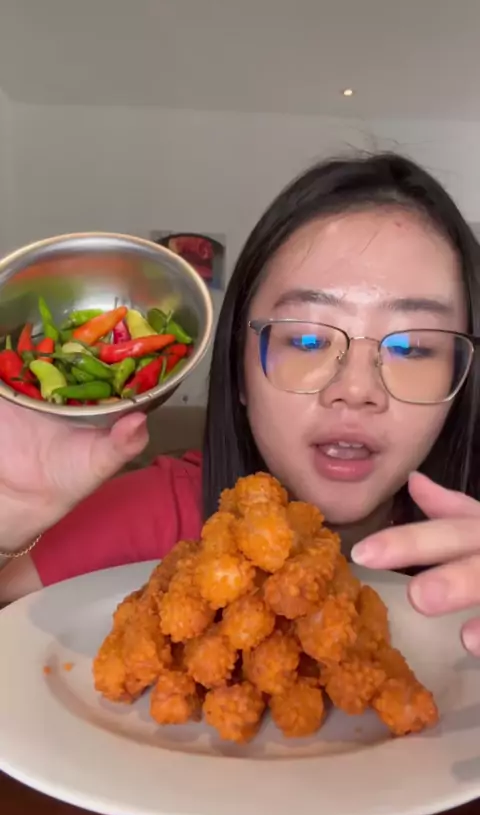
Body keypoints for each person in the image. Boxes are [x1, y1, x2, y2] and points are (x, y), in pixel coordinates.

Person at [1, 152, 480, 656]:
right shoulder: (149, 513)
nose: (357, 389)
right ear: (241, 370)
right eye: (308, 340)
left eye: (412, 347)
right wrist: (9, 521)